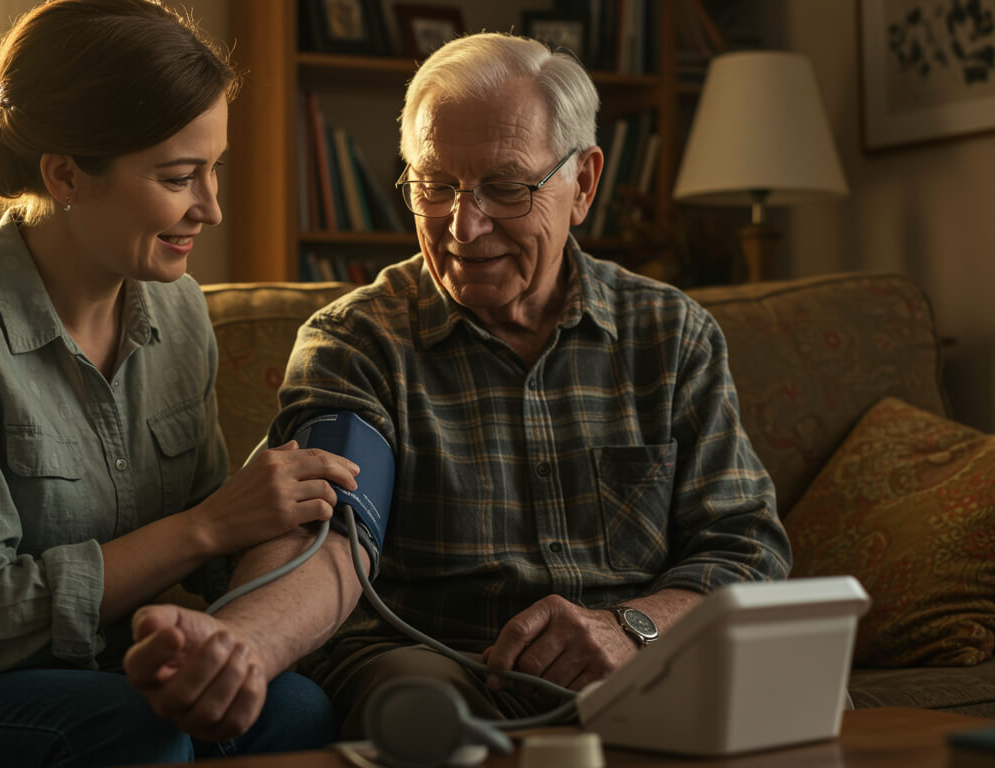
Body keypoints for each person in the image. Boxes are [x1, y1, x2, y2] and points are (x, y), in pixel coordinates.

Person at [123, 32, 792, 738]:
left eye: (505, 189)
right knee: (420, 702)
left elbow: (745, 546)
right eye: (434, 186)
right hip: (434, 663)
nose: (462, 228)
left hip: (631, 659)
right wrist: (243, 646)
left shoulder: (671, 334)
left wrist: (634, 626)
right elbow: (327, 535)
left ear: (584, 184)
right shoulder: (358, 341)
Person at [0, 1, 358, 765]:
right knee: (140, 731)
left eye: (213, 169)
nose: (211, 208)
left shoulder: (177, 310)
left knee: (293, 709)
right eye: (180, 176)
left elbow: (216, 534)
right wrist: (208, 527)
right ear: (65, 174)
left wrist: (293, 516)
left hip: (83, 674)